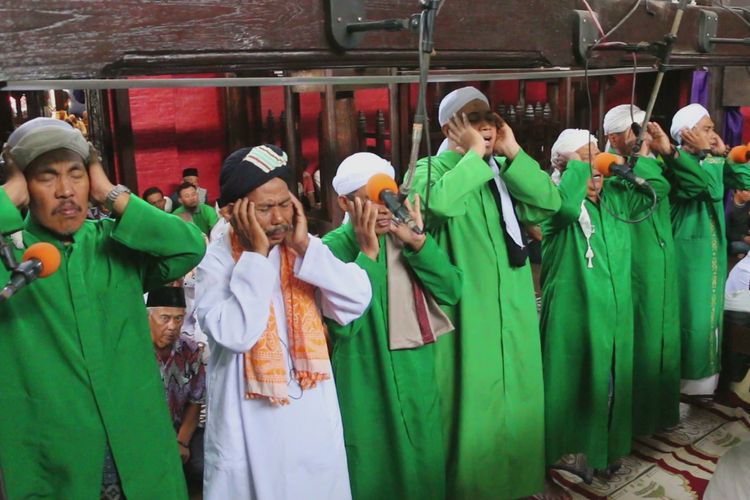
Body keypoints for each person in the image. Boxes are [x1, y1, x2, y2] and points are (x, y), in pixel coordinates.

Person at [0, 117, 206, 498]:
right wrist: (7, 195)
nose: (65, 191)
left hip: (139, 450)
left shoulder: (115, 245)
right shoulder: (10, 258)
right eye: (46, 177)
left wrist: (110, 192)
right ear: (24, 185)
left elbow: (189, 246)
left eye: (76, 174)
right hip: (58, 461)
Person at [406, 86, 561, 499]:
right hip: (468, 307)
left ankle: (520, 483)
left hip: (513, 301)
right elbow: (435, 206)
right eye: (472, 121)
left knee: (520, 393)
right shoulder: (430, 170)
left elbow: (549, 203)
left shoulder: (500, 172)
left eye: (489, 119)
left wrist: (512, 153)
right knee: (476, 401)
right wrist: (473, 155)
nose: (485, 127)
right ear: (448, 128)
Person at [195, 144, 372, 500]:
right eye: (264, 208)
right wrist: (257, 257)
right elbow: (237, 333)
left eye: (284, 204)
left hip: (309, 414)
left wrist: (307, 246)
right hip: (249, 423)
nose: (278, 218)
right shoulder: (215, 262)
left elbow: (356, 301)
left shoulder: (302, 249)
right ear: (232, 211)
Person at [322, 152, 462, 500]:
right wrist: (367, 253)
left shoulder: (407, 238)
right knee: (373, 466)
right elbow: (342, 328)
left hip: (416, 372)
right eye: (370, 199)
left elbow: (452, 291)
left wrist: (420, 244)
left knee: (424, 459)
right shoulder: (332, 250)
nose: (383, 208)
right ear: (343, 201)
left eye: (389, 196)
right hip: (364, 379)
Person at [541, 129, 669, 474]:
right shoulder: (552, 198)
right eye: (586, 157)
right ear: (562, 164)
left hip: (615, 310)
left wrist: (640, 161)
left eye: (597, 155)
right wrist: (576, 171)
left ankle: (604, 448)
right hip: (577, 312)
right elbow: (565, 210)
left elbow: (658, 192)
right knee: (578, 383)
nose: (595, 165)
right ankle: (569, 451)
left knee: (612, 382)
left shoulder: (614, 197)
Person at [603, 104, 689, 436]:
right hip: (637, 268)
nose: (641, 138)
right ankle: (636, 420)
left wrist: (664, 152)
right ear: (613, 137)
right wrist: (639, 160)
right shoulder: (612, 170)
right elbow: (660, 189)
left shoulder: (645, 163)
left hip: (662, 266)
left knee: (663, 341)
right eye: (633, 132)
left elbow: (691, 187)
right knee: (643, 342)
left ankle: (661, 415)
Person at [668, 103, 750, 396]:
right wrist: (713, 158)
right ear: (687, 135)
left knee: (709, 320)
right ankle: (684, 387)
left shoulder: (711, 161)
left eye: (714, 128)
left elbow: (747, 181)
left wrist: (727, 155)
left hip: (710, 254)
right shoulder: (676, 165)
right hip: (688, 256)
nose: (713, 135)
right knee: (693, 318)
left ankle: (704, 388)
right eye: (707, 129)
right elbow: (711, 190)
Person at [147, 286, 206, 487]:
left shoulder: (190, 351)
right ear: (147, 317)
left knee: (203, 466)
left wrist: (181, 442)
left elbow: (195, 401)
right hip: (144, 432)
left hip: (181, 428)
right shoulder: (133, 352)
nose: (173, 326)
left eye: (178, 319)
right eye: (165, 318)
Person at [726, 189, 750, 258]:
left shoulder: (748, 204)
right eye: (748, 191)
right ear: (738, 191)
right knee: (736, 246)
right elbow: (727, 232)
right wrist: (744, 238)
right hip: (734, 241)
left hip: (747, 235)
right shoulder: (728, 207)